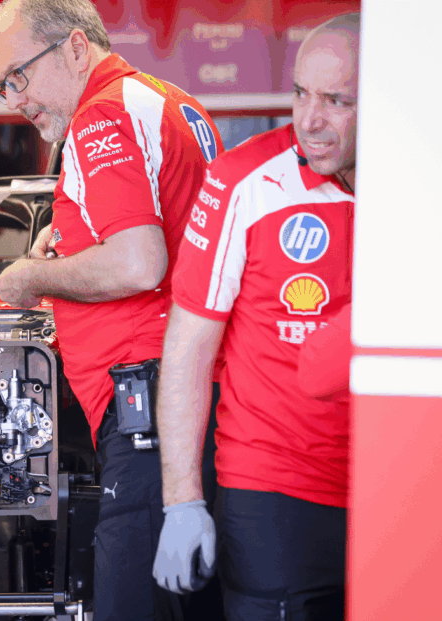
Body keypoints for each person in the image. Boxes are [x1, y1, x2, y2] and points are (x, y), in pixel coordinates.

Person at [0, 1, 223, 619]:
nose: (14, 100)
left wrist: (33, 277)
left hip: (150, 405)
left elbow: (141, 262)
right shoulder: (167, 100)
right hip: (194, 397)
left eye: (19, 76)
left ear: (76, 49)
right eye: (4, 84)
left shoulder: (101, 117)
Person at [152, 13, 358, 620]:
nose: (309, 120)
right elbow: (187, 344)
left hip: (402, 481)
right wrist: (182, 502)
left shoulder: (424, 184)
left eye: (337, 101)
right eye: (300, 93)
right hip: (274, 488)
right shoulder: (245, 180)